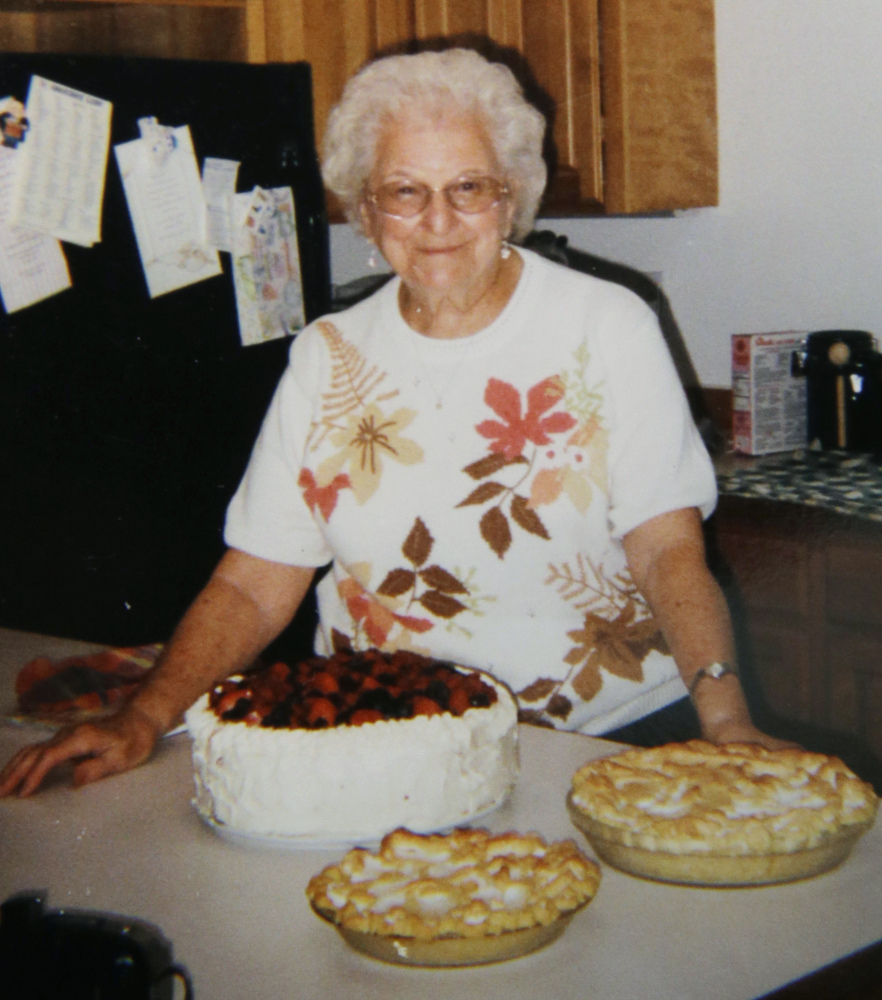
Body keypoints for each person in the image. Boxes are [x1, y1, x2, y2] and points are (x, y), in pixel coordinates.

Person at [0, 48, 792, 799]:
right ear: (365, 209)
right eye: (405, 191)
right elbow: (254, 580)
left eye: (468, 188)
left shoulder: (605, 325)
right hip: (383, 744)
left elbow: (665, 548)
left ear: (511, 195)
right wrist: (143, 716)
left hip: (599, 740)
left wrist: (725, 718)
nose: (438, 220)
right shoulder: (327, 353)